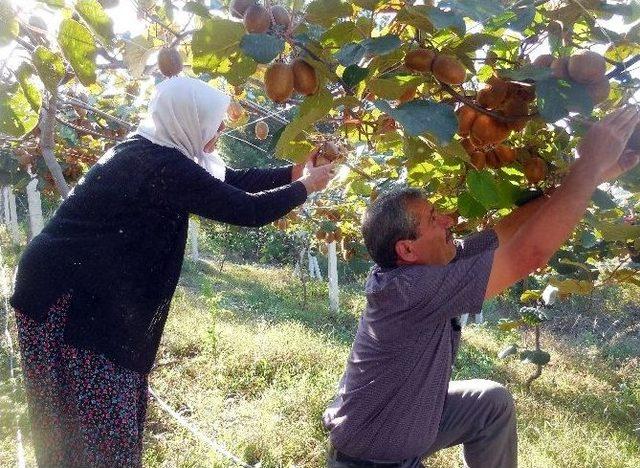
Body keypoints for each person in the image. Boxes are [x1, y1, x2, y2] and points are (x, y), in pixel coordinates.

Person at [10, 76, 335, 467]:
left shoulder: (154, 149)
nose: (217, 135)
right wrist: (305, 187)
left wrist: (295, 172)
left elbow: (228, 181)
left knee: (85, 411)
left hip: (74, 287)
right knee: (88, 410)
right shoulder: (160, 165)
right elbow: (246, 210)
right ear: (190, 119)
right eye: (215, 126)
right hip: (65, 298)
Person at [323, 107, 640, 467]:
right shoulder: (411, 289)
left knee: (489, 402)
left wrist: (599, 172)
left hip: (408, 420)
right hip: (373, 457)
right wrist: (587, 162)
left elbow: (505, 232)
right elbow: (528, 254)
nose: (447, 219)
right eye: (432, 218)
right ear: (406, 249)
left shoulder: (432, 263)